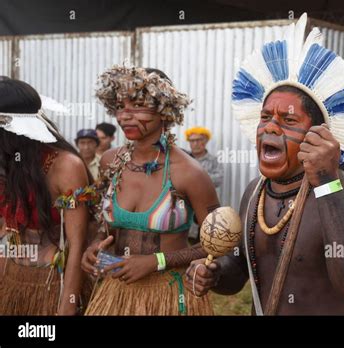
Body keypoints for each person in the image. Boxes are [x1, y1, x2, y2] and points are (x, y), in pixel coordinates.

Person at [184, 14, 344, 315]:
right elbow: (238, 272)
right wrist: (214, 273)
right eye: (266, 117)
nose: (271, 128)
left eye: (288, 120)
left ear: (320, 135)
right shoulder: (255, 193)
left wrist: (327, 182)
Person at [81, 65, 219, 315]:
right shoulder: (110, 162)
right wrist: (95, 244)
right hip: (116, 294)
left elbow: (218, 244)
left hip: (169, 295)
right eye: (121, 106)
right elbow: (105, 226)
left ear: (164, 110)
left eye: (137, 106)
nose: (125, 116)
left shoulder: (189, 173)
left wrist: (157, 261)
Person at [0, 76, 95, 315]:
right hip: (9, 276)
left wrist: (67, 306)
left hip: (51, 283)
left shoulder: (66, 166)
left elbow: (76, 245)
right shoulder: (8, 162)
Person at [185, 126, 223, 245]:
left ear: (205, 141)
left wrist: (195, 181)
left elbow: (219, 178)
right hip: (185, 206)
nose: (195, 144)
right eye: (192, 141)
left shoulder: (213, 161)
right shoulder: (184, 159)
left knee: (206, 237)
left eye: (199, 140)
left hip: (205, 204)